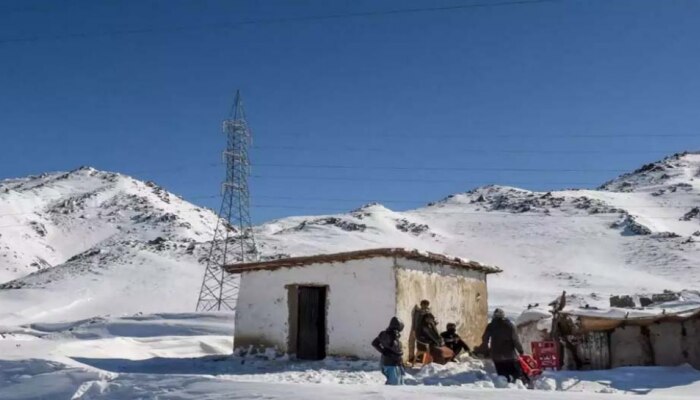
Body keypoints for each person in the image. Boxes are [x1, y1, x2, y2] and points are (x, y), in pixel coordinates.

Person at [481, 308, 527, 384]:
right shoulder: (510, 326)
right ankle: (521, 386)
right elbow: (515, 340)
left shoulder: (491, 326)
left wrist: (487, 350)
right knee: (517, 374)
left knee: (503, 375)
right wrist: (520, 350)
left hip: (497, 356)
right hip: (510, 355)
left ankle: (505, 386)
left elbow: (485, 338)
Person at [372, 316, 406, 385]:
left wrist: (383, 351)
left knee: (397, 383)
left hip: (391, 362)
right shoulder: (391, 335)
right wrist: (385, 351)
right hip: (392, 364)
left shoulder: (384, 334)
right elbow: (395, 348)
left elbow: (375, 343)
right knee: (393, 386)